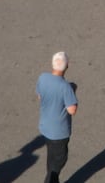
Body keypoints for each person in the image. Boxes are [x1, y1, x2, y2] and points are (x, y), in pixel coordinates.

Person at [36, 52, 77, 183]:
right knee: (59, 161)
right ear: (67, 66)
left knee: (52, 157)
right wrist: (73, 92)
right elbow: (72, 110)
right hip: (59, 132)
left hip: (45, 127)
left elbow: (40, 96)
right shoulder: (65, 87)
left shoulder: (42, 78)